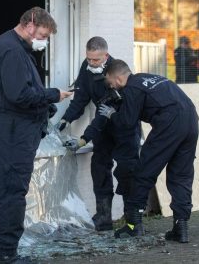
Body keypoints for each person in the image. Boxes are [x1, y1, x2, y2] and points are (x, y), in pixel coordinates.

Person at [0, 7, 73, 263]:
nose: (44, 41)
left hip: (7, 125)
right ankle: (6, 255)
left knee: (5, 189)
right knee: (11, 191)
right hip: (10, 130)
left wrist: (44, 103)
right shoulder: (11, 50)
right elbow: (19, 95)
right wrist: (53, 94)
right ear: (30, 25)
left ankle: (1, 252)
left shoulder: (8, 44)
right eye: (43, 34)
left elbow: (19, 90)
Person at [100, 59, 198, 243]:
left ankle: (133, 225)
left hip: (170, 123)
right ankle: (181, 227)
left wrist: (112, 114)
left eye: (111, 83)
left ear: (119, 78)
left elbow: (128, 123)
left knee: (143, 171)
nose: (112, 87)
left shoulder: (131, 88)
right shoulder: (150, 78)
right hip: (191, 118)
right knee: (181, 175)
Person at [58, 36, 141, 231]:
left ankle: (133, 221)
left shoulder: (116, 71)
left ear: (106, 55)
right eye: (89, 59)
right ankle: (104, 217)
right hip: (103, 126)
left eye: (96, 60)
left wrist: (84, 139)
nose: (91, 63)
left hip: (123, 125)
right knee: (99, 167)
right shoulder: (86, 69)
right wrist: (65, 119)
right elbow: (81, 98)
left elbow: (103, 113)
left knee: (127, 171)